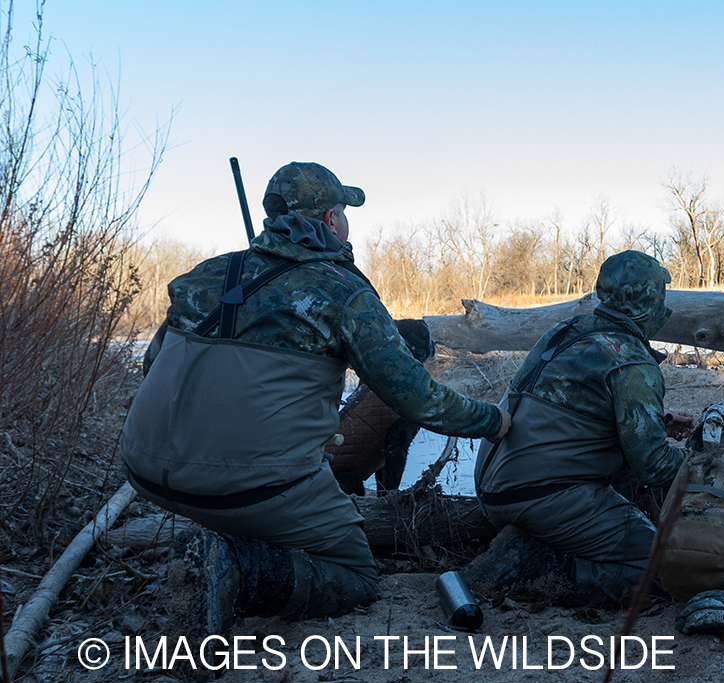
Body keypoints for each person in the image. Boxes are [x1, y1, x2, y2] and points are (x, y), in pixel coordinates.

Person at [120, 162, 510, 642]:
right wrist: (493, 421)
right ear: (330, 220)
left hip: (144, 470)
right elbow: (418, 399)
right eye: (343, 211)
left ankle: (231, 536)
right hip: (250, 486)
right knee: (356, 575)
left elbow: (152, 366)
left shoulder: (206, 276)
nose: (346, 222)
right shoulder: (342, 290)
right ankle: (237, 568)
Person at [466, 250, 693, 606]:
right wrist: (704, 464)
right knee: (666, 568)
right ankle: (529, 567)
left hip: (495, 486)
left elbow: (571, 415)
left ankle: (534, 540)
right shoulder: (629, 359)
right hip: (538, 495)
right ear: (650, 301)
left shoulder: (569, 330)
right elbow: (653, 464)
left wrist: (658, 425)